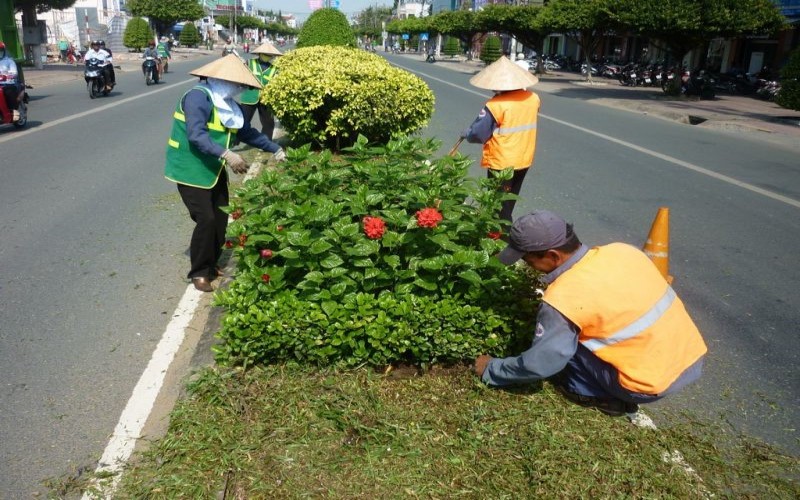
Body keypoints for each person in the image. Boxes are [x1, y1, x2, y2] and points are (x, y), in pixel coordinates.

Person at [473, 210, 708, 416]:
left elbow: (541, 364)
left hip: (645, 385)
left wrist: (493, 369)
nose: (526, 265)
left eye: (527, 259)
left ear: (553, 256)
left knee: (563, 346)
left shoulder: (564, 297)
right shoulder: (622, 251)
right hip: (690, 359)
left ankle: (594, 394)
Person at [164, 55, 287, 292]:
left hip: (212, 168)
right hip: (189, 168)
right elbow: (196, 135)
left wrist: (276, 149)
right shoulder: (197, 98)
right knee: (206, 219)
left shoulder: (229, 103)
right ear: (221, 79)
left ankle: (211, 265)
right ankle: (199, 272)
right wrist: (228, 155)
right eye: (237, 84)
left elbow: (248, 133)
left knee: (221, 218)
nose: (239, 88)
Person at [461, 56, 541, 223]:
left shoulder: (496, 105)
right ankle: (504, 230)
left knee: (498, 204)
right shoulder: (532, 98)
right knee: (510, 198)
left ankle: (503, 238)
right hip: (524, 157)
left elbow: (478, 133)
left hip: (502, 162)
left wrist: (466, 133)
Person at [239, 41, 281, 140]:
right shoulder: (249, 63)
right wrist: (241, 64)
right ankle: (234, 141)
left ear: (272, 56)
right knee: (242, 121)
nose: (267, 56)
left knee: (269, 124)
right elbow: (241, 75)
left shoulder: (275, 69)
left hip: (265, 99)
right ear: (260, 53)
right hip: (249, 96)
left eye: (269, 55)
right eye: (265, 54)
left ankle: (266, 144)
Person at [0, 41, 23, 123]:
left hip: (8, 83)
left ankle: (14, 111)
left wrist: (7, 76)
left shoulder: (9, 61)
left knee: (9, 93)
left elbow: (14, 72)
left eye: (0, 50)